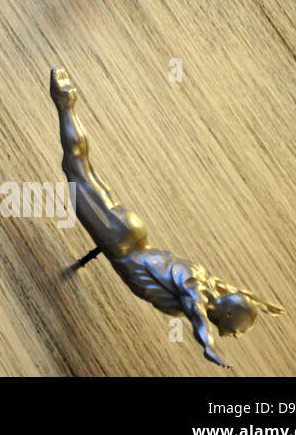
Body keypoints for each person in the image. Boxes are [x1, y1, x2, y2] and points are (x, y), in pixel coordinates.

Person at [50, 67, 283, 367]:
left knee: (85, 170)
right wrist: (209, 347)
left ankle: (67, 104)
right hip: (117, 242)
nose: (234, 336)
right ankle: (65, 102)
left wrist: (261, 304)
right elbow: (197, 313)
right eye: (236, 330)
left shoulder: (208, 282)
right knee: (76, 168)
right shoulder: (197, 291)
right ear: (226, 315)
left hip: (130, 235)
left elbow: (231, 292)